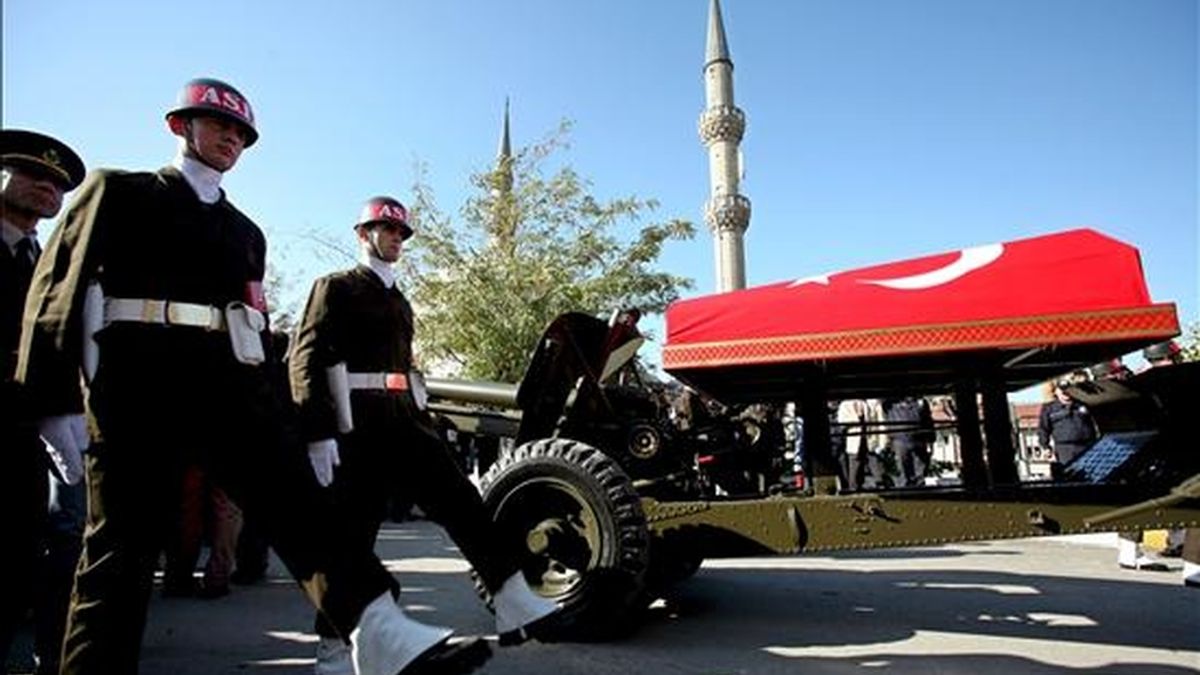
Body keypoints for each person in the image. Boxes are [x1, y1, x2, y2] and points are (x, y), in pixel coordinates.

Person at [15, 78, 496, 675]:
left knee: (301, 510)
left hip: (227, 393)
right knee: (120, 554)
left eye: (241, 132)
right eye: (218, 124)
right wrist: (54, 403)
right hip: (137, 390)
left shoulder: (246, 233)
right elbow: (57, 293)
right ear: (179, 126)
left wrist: (291, 422)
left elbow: (252, 330)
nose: (231, 139)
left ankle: (381, 632)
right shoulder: (119, 192)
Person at [289, 196, 560, 675]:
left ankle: (511, 595)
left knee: (461, 500)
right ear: (363, 234)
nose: (395, 238)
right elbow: (304, 357)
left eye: (399, 233)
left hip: (403, 418)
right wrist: (316, 430)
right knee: (352, 538)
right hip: (356, 425)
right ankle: (333, 647)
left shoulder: (399, 300)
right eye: (385, 230)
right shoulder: (335, 287)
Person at [1, 128, 86, 674]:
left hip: (33, 435)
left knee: (30, 557)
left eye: (57, 186)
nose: (46, 190)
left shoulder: (45, 260)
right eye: (33, 175)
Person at [1037, 377, 1098, 480]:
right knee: (1069, 478)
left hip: (1087, 447)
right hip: (1065, 450)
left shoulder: (1083, 404)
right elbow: (1043, 429)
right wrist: (1045, 446)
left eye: (1067, 389)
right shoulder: (1049, 409)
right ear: (1056, 391)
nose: (1065, 392)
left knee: (1089, 478)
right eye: (1062, 389)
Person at [882, 395, 935, 487]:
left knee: (918, 465)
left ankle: (917, 484)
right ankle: (908, 485)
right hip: (901, 438)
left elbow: (928, 420)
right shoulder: (891, 403)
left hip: (916, 437)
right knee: (904, 466)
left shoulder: (920, 402)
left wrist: (930, 438)